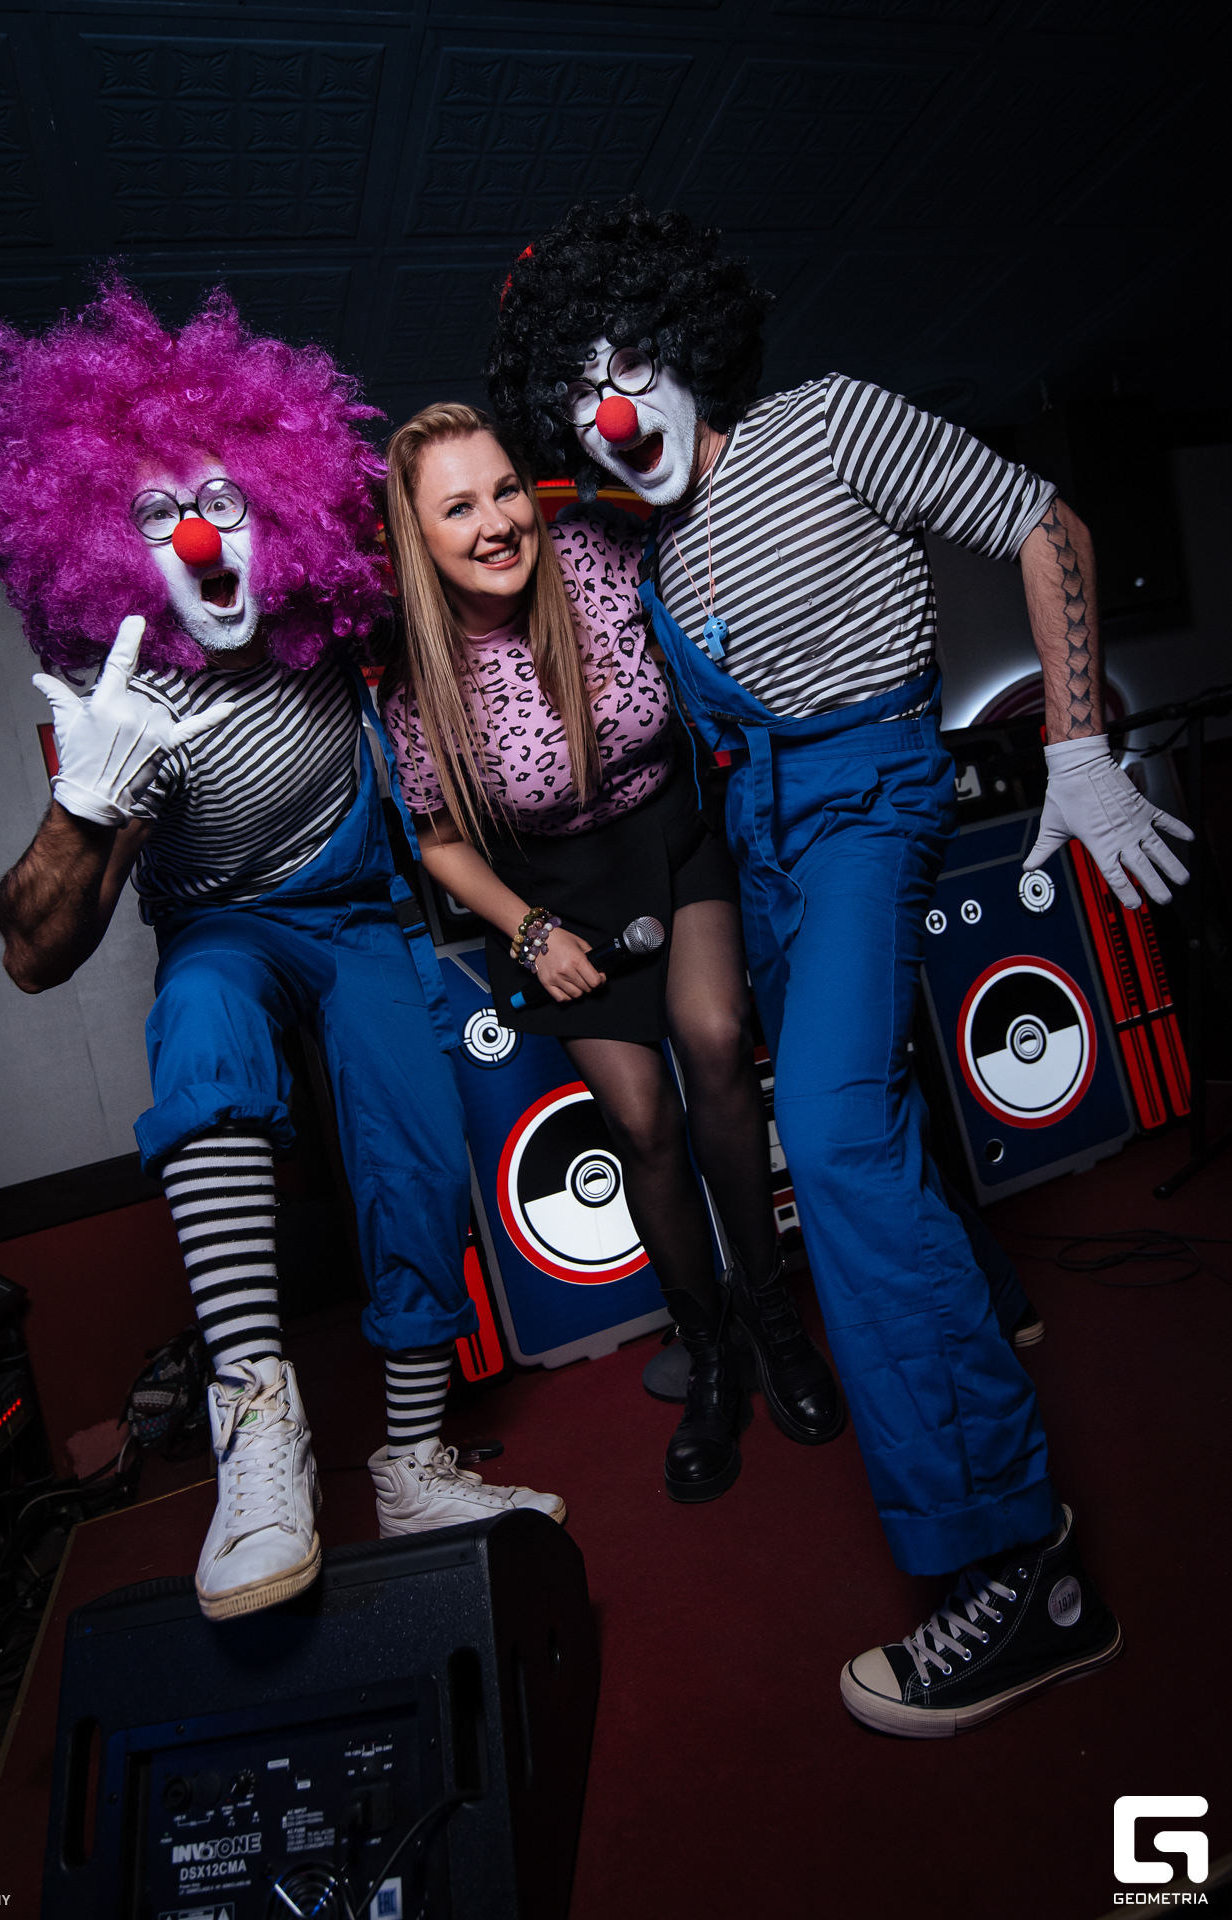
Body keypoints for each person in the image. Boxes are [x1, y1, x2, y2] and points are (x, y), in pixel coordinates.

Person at [487, 197, 1195, 1736]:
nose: (612, 415)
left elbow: (1047, 524)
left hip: (868, 804)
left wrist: (1079, 748)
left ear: (682, 347)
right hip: (760, 847)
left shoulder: (825, 421)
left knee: (832, 1142)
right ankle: (973, 1312)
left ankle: (1017, 1565)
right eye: (577, 398)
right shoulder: (648, 549)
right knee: (867, 1120)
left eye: (627, 368)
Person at [0, 283, 563, 1623]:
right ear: (101, 546)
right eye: (153, 515)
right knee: (205, 1028)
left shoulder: (326, 613)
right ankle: (255, 1427)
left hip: (359, 912)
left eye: (222, 499)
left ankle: (411, 1461)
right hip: (223, 922)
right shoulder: (136, 704)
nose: (198, 535)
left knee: (417, 1138)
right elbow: (35, 960)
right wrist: (85, 801)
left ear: (273, 504)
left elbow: (463, 568)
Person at [378, 401, 844, 1502]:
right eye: (459, 507)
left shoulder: (596, 553)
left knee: (716, 1039)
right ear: (418, 535)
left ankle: (774, 1321)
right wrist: (530, 933)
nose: (497, 522)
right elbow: (437, 841)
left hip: (671, 836)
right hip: (549, 896)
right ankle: (710, 1355)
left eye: (504, 490)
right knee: (639, 1119)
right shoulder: (414, 673)